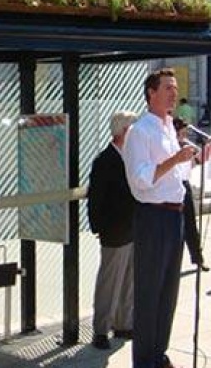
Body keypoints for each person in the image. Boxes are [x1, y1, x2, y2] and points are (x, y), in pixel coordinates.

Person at [122, 68, 197, 368]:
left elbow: (176, 176)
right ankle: (144, 361)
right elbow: (140, 180)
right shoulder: (141, 131)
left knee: (168, 291)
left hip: (174, 216)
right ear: (151, 92)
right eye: (167, 87)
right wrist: (174, 159)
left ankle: (158, 354)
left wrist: (191, 161)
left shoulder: (168, 128)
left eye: (174, 88)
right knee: (149, 291)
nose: (173, 93)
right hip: (153, 217)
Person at [87, 111, 137, 349]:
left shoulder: (131, 157)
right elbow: (95, 198)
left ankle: (123, 323)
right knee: (109, 282)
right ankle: (100, 329)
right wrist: (98, 227)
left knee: (128, 280)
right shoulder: (105, 160)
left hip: (132, 228)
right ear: (124, 131)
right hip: (114, 229)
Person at [173, 117, 210, 272]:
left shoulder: (188, 145)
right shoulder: (169, 146)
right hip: (173, 187)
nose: (184, 133)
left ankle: (198, 259)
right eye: (181, 130)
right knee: (175, 228)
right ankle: (173, 263)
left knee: (191, 226)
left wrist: (207, 148)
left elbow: (197, 162)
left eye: (185, 131)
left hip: (185, 185)